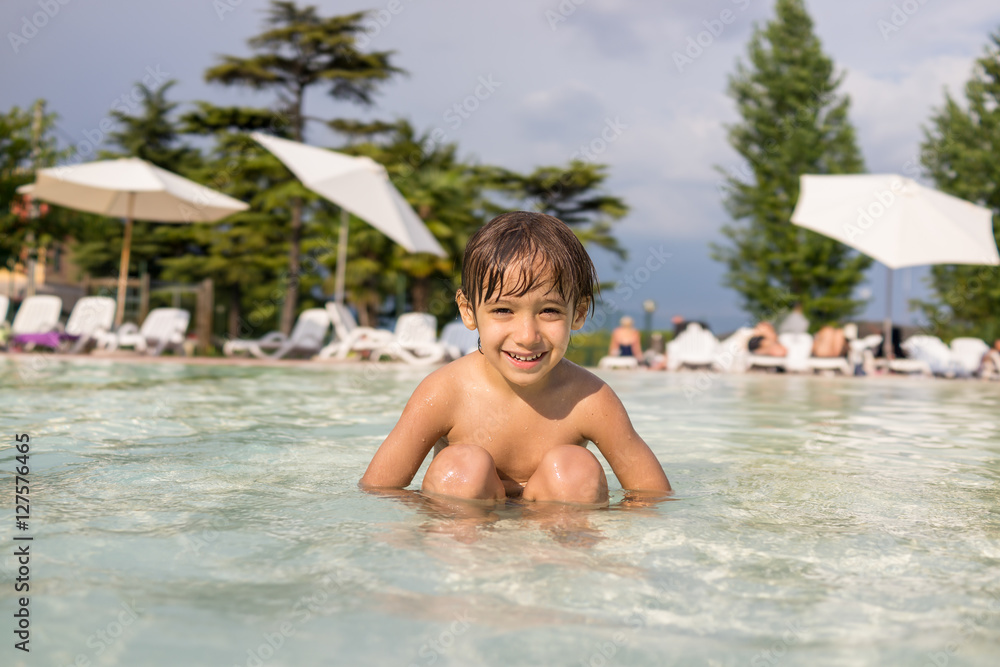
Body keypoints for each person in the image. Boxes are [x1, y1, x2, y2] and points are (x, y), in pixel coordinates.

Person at [360, 211, 671, 506]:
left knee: (574, 469)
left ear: (577, 313)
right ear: (468, 311)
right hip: (467, 533)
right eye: (503, 310)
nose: (527, 335)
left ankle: (562, 559)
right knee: (461, 466)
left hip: (552, 531)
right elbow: (379, 490)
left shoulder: (590, 400)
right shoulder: (445, 392)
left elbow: (652, 496)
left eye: (549, 311)